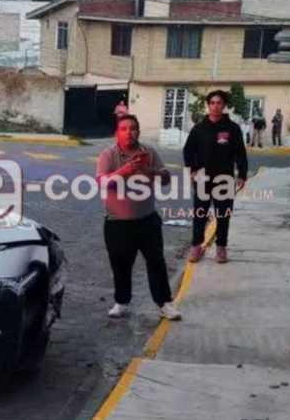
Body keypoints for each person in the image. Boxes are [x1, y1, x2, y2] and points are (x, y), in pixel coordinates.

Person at [96, 114, 182, 320]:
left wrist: (151, 171)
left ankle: (164, 303)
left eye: (133, 128)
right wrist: (125, 171)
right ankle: (121, 301)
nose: (129, 132)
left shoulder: (149, 152)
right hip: (117, 222)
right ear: (117, 133)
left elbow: (166, 179)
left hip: (147, 220)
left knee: (156, 262)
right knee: (120, 264)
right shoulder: (108, 155)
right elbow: (102, 183)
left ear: (139, 132)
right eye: (124, 129)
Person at [183, 90, 248, 264]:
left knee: (223, 215)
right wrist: (193, 169)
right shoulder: (199, 129)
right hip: (202, 180)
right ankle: (196, 247)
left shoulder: (232, 129)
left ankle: (221, 248)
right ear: (208, 105)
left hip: (224, 180)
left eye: (219, 103)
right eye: (212, 103)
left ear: (224, 105)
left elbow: (240, 153)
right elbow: (188, 150)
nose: (215, 106)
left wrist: (242, 174)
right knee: (200, 214)